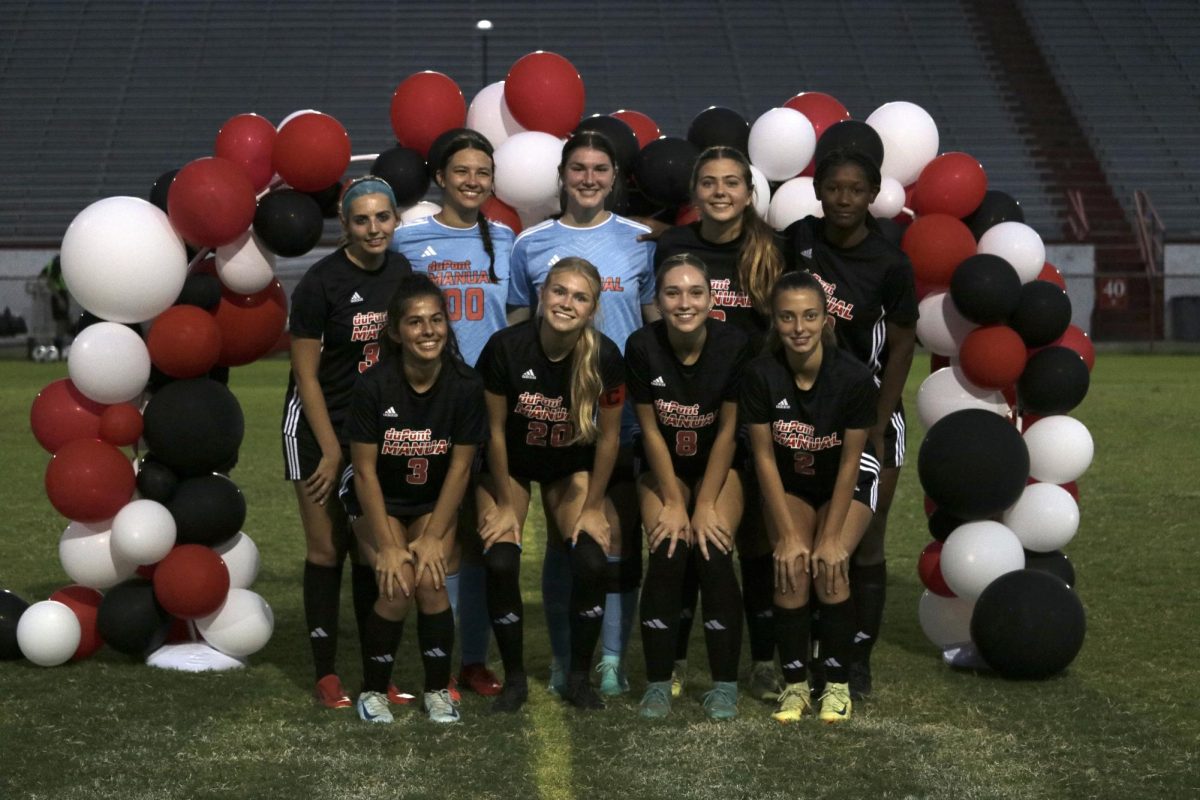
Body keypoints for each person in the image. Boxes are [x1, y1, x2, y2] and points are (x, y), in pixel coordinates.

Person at [507, 131, 656, 697]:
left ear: (614, 177)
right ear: (562, 177)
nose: (588, 178)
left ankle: (611, 658)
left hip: (620, 416)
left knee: (617, 537)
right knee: (564, 539)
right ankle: (567, 652)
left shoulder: (640, 241)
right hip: (553, 419)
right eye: (577, 168)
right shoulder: (531, 244)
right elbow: (520, 332)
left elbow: (649, 331)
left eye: (599, 169)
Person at [780, 149, 918, 698]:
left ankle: (856, 658)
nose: (843, 199)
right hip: (808, 413)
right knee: (811, 535)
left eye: (855, 190)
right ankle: (814, 653)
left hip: (872, 415)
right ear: (818, 191)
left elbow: (904, 343)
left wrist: (880, 423)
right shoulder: (799, 239)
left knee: (865, 540)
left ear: (872, 195)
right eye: (833, 188)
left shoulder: (889, 263)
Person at [652, 145, 787, 702]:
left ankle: (762, 659)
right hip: (690, 407)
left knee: (753, 540)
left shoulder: (772, 250)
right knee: (684, 539)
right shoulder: (672, 247)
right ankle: (678, 658)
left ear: (750, 193)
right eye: (709, 183)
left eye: (732, 182)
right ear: (694, 193)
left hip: (753, 411)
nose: (721, 192)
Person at [391, 129, 515, 699]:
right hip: (426, 407)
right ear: (441, 177)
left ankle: (472, 660)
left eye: (482, 173)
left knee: (483, 532)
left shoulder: (507, 240)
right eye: (462, 171)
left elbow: (512, 327)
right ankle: (434, 662)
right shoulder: (410, 240)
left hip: (486, 406)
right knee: (438, 534)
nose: (473, 181)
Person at [281, 176, 411, 709]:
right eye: (362, 220)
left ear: (396, 219)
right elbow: (305, 376)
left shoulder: (404, 274)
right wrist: (330, 449)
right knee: (326, 549)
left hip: (371, 432)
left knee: (372, 551)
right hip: (315, 428)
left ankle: (374, 676)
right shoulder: (320, 282)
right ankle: (326, 673)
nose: (374, 228)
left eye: (383, 217)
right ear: (345, 223)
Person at [476, 257, 626, 711]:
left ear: (593, 307)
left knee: (592, 560)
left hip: (569, 467)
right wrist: (504, 501)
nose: (567, 303)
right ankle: (516, 678)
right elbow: (495, 432)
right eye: (559, 291)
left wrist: (595, 504)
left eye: (579, 297)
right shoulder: (505, 347)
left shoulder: (604, 356)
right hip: (512, 467)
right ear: (542, 294)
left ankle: (580, 677)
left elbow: (610, 436)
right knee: (501, 559)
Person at [340, 273, 485, 724]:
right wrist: (387, 545)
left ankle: (438, 690)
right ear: (396, 332)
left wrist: (435, 537)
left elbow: (460, 468)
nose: (428, 330)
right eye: (416, 322)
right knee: (398, 580)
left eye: (436, 320)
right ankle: (372, 691)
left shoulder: (465, 385)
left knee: (431, 579)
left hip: (430, 501)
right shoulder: (374, 386)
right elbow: (363, 471)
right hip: (376, 497)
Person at [741, 270, 880, 724]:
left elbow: (849, 462)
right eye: (787, 317)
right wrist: (784, 536)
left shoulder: (854, 378)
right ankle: (797, 685)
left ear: (826, 320)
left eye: (809, 316)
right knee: (792, 566)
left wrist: (833, 536)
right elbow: (763, 460)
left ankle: (837, 685)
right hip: (790, 481)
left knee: (830, 563)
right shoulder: (760, 375)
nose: (798, 328)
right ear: (774, 322)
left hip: (849, 479)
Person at [626, 254, 750, 720]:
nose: (684, 302)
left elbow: (726, 431)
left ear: (712, 299)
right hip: (664, 467)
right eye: (672, 293)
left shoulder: (733, 344)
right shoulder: (641, 346)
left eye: (695, 292)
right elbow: (651, 430)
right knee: (668, 549)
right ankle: (659, 681)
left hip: (719, 464)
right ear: (657, 301)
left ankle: (724, 684)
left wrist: (705, 504)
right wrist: (676, 501)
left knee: (714, 551)